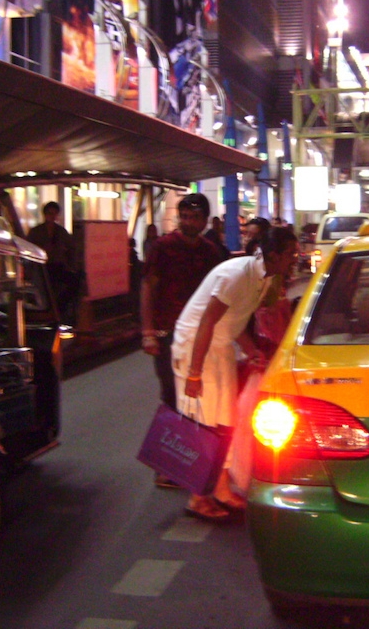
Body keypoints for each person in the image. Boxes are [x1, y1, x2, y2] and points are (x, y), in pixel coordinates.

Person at [172, 226, 299, 522]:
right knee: (204, 423)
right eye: (291, 253)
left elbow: (235, 320)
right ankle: (197, 498)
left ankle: (221, 489)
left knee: (225, 419)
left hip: (219, 346)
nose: (296, 258)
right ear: (274, 255)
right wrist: (193, 373)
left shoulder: (265, 279)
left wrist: (250, 349)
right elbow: (206, 321)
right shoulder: (236, 274)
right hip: (195, 347)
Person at [140, 193, 223, 488]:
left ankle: (190, 461)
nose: (189, 222)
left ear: (204, 220)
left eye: (194, 217)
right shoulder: (163, 248)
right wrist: (148, 331)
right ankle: (166, 465)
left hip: (200, 335)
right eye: (184, 217)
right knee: (171, 397)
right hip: (167, 333)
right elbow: (148, 287)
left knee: (197, 397)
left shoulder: (212, 252)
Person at [26, 201, 79, 323]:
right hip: (42, 267)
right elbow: (29, 249)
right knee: (47, 291)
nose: (52, 216)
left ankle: (60, 309)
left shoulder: (61, 231)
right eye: (50, 213)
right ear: (45, 214)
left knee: (74, 282)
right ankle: (52, 313)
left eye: (55, 214)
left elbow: (71, 248)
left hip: (58, 265)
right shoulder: (36, 231)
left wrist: (70, 265)